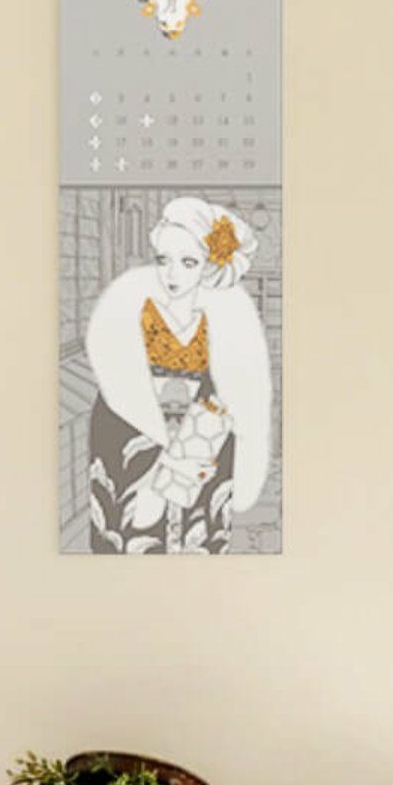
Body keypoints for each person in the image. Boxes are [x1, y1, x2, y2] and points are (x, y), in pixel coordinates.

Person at [84, 197, 271, 554]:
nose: (172, 274)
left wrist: (199, 437)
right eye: (163, 260)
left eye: (188, 263)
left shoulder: (222, 314)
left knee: (198, 519)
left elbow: (232, 387)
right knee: (129, 522)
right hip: (135, 425)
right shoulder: (134, 304)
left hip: (200, 423)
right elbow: (119, 380)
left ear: (208, 265)